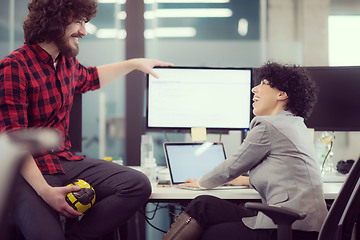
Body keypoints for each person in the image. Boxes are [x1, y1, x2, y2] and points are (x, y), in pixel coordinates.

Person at [0, 0, 173, 239]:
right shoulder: (14, 66)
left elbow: (91, 77)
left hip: (64, 161)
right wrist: (46, 192)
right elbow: (14, 141)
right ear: (53, 21)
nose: (84, 31)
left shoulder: (65, 62)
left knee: (137, 184)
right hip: (28, 173)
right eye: (78, 22)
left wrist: (134, 64)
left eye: (85, 22)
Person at [162, 62, 328, 240]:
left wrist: (200, 182)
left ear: (282, 94)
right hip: (301, 224)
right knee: (204, 205)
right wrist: (243, 180)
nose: (254, 89)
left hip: (289, 227)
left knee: (209, 231)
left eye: (264, 83)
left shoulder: (269, 125)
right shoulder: (294, 124)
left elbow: (232, 166)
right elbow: (286, 173)